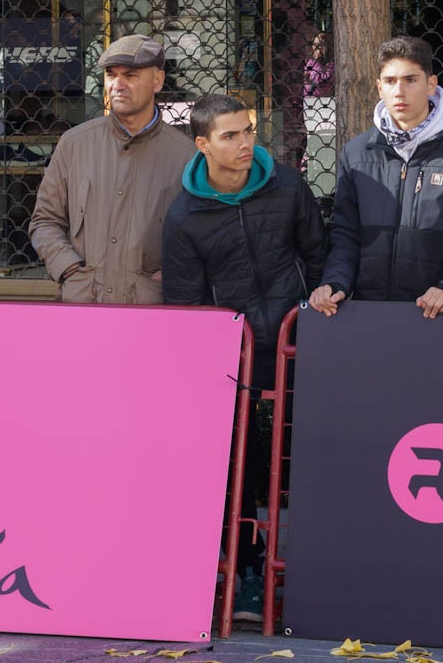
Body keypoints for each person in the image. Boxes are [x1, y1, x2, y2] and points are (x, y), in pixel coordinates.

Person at [161, 93, 327, 622]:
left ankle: (317, 567)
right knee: (242, 468)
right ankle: (249, 572)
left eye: (248, 131)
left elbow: (318, 255)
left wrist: (316, 315)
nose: (244, 143)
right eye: (229, 135)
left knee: (310, 458)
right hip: (235, 360)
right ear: (203, 144)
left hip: (298, 344)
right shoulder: (185, 215)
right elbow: (185, 306)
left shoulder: (286, 185)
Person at [308, 35, 443, 319]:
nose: (399, 91)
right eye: (390, 81)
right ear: (379, 87)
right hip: (370, 316)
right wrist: (335, 282)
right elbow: (346, 234)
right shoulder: (356, 154)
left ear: (431, 84)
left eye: (410, 80)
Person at [28, 33, 194, 304]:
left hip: (151, 312)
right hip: (83, 305)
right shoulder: (74, 144)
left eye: (130, 75)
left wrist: (174, 274)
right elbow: (44, 221)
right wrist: (69, 269)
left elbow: (199, 237)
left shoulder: (185, 157)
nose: (118, 84)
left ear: (158, 80)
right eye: (111, 75)